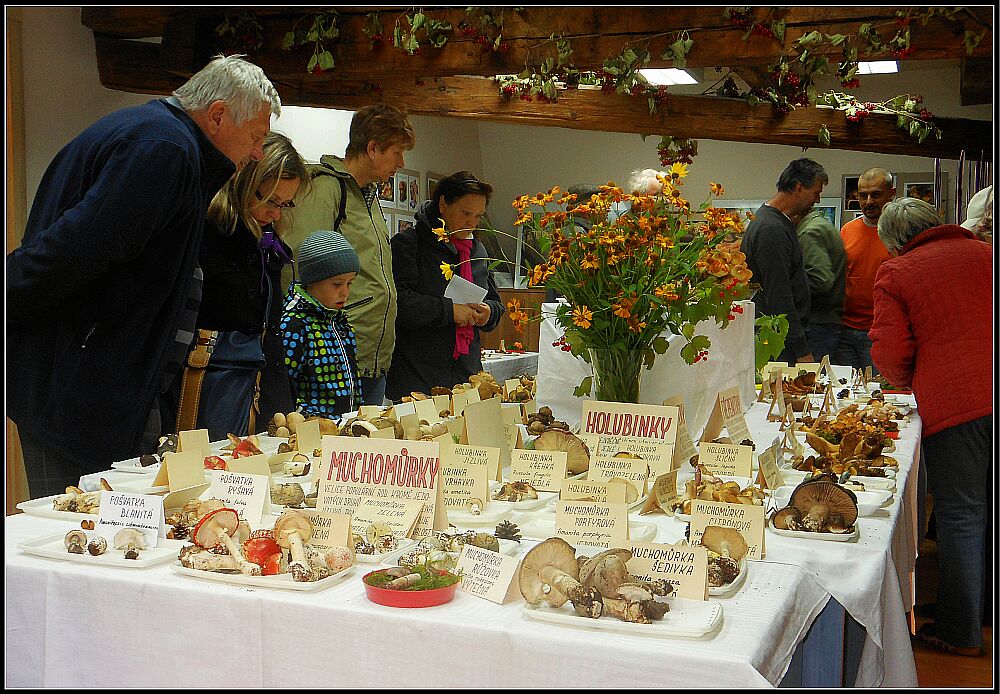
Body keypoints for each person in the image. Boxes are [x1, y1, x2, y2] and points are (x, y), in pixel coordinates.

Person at [7, 54, 280, 498]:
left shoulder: (157, 137)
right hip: (81, 392)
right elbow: (72, 251)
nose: (257, 153)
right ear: (217, 115)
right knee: (75, 527)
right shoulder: (164, 150)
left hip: (84, 384)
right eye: (256, 137)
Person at [868, 197, 992, 657]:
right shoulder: (986, 253)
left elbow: (890, 350)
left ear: (894, 243)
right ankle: (980, 608)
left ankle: (960, 631)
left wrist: (908, 381)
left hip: (959, 402)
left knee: (962, 514)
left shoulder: (898, 272)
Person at [165, 131, 308, 441]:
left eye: (285, 204)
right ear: (244, 181)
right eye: (269, 200)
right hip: (210, 387)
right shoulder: (207, 232)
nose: (275, 213)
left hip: (260, 387)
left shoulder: (269, 243)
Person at [283, 104, 415, 406]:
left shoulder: (368, 197)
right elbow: (298, 269)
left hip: (369, 355)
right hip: (332, 358)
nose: (401, 162)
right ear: (373, 149)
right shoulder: (327, 190)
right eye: (396, 152)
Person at [385, 171, 504, 400]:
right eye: (466, 213)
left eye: (478, 216)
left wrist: (488, 313)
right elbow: (399, 303)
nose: (472, 223)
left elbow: (495, 302)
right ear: (442, 204)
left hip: (466, 374)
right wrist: (449, 311)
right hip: (417, 374)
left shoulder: (477, 250)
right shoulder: (409, 244)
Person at [739, 158, 828, 365]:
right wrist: (801, 350)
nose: (817, 200)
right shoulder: (772, 229)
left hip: (778, 338)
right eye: (816, 192)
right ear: (799, 187)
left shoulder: (773, 221)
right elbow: (779, 294)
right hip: (778, 343)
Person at [279, 230, 363, 418]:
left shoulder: (339, 322)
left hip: (345, 423)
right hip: (312, 427)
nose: (345, 292)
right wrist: (302, 418)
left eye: (349, 283)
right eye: (337, 284)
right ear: (312, 281)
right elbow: (284, 387)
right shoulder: (294, 324)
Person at [835, 167, 895, 371]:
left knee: (879, 388)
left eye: (876, 194)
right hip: (845, 331)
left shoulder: (900, 232)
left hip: (881, 333)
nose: (869, 201)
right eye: (863, 195)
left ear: (891, 194)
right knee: (845, 386)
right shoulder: (847, 230)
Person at [795, 209, 846, 360]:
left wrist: (790, 291)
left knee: (814, 373)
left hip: (818, 322)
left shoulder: (809, 232)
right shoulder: (821, 225)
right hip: (827, 320)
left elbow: (821, 281)